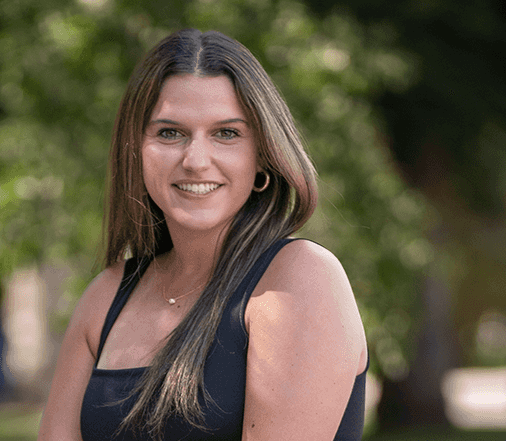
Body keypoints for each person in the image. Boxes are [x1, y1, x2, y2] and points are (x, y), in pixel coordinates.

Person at [37, 28, 368, 441]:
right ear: (135, 150)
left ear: (263, 155)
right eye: (169, 132)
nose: (195, 160)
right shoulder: (106, 296)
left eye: (226, 133)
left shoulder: (299, 279)